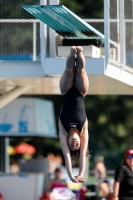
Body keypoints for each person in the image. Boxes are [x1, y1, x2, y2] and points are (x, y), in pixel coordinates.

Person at [58, 46, 89, 183]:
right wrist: (81, 174)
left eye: (72, 146)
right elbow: (83, 155)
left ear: (68, 143)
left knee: (70, 71)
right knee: (80, 71)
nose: (75, 144)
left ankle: (72, 52)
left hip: (65, 91)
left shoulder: (63, 132)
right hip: (81, 92)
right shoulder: (84, 130)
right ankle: (80, 52)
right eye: (77, 145)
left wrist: (71, 176)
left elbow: (66, 156)